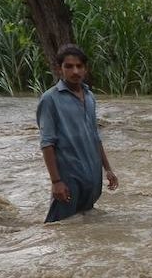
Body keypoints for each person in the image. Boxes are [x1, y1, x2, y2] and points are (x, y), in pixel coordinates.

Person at [37, 44, 119, 223]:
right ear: (59, 69)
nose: (75, 71)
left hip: (92, 176)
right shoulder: (50, 99)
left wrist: (108, 169)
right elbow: (47, 143)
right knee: (59, 226)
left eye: (79, 66)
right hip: (69, 178)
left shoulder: (90, 97)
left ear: (85, 69)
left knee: (85, 226)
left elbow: (95, 136)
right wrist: (56, 181)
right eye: (69, 66)